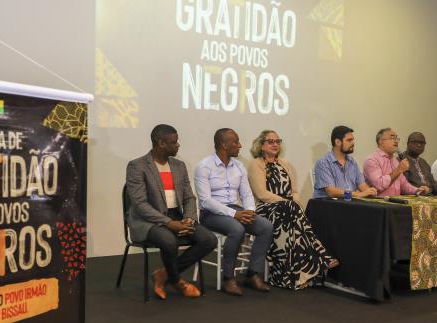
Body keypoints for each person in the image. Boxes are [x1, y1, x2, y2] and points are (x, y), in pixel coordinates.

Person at [125, 124, 217, 300]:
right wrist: (168, 223)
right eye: (174, 142)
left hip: (177, 216)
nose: (178, 145)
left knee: (208, 239)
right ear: (161, 143)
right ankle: (177, 281)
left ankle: (163, 274)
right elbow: (140, 204)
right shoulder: (137, 166)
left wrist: (189, 218)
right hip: (147, 221)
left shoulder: (179, 165)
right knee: (169, 241)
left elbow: (189, 197)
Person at [248, 130, 339, 290]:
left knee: (293, 218)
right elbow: (262, 194)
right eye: (270, 141)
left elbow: (295, 191)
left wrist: (294, 202)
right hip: (266, 208)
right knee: (290, 209)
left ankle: (295, 277)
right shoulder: (256, 164)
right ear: (261, 145)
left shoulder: (285, 164)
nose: (275, 144)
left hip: (288, 209)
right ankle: (320, 256)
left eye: (278, 141)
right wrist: (288, 203)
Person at [195, 128, 273, 296]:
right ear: (224, 145)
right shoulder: (204, 167)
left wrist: (250, 211)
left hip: (236, 210)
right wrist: (234, 214)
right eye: (236, 142)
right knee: (237, 229)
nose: (240, 145)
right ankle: (228, 278)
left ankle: (253, 274)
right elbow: (205, 201)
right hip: (211, 213)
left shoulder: (239, 166)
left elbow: (246, 194)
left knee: (265, 227)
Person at [313, 125, 377, 199]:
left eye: (353, 140)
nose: (353, 143)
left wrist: (369, 191)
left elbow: (361, 184)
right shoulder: (323, 162)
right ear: (337, 142)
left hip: (348, 203)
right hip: (329, 204)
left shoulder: (352, 161)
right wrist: (357, 194)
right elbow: (331, 192)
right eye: (349, 140)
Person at [363, 128, 430, 196]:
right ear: (381, 142)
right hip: (379, 201)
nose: (396, 141)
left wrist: (418, 190)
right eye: (392, 138)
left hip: (395, 200)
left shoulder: (395, 161)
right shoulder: (372, 160)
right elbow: (379, 185)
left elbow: (404, 185)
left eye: (397, 138)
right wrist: (398, 170)